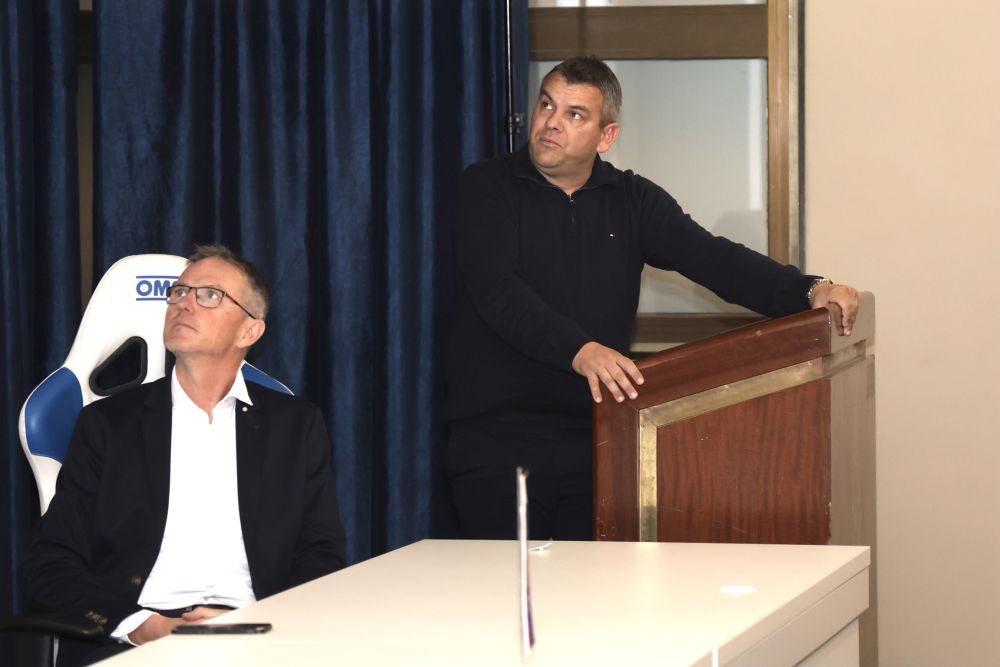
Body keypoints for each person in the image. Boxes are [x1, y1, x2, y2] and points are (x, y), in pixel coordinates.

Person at [444, 56, 859, 541]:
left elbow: (714, 258)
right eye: (546, 105)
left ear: (606, 136)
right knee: (508, 586)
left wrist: (809, 289)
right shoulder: (487, 186)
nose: (552, 123)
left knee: (590, 587)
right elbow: (499, 292)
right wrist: (581, 350)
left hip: (598, 439)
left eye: (575, 114)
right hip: (498, 443)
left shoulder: (632, 199)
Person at [20, 245, 347, 666]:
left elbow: (321, 554)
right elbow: (48, 563)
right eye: (178, 292)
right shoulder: (107, 424)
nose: (184, 303)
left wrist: (262, 620)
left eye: (209, 295)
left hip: (258, 636)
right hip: (135, 640)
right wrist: (142, 625)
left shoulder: (297, 425)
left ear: (249, 332)